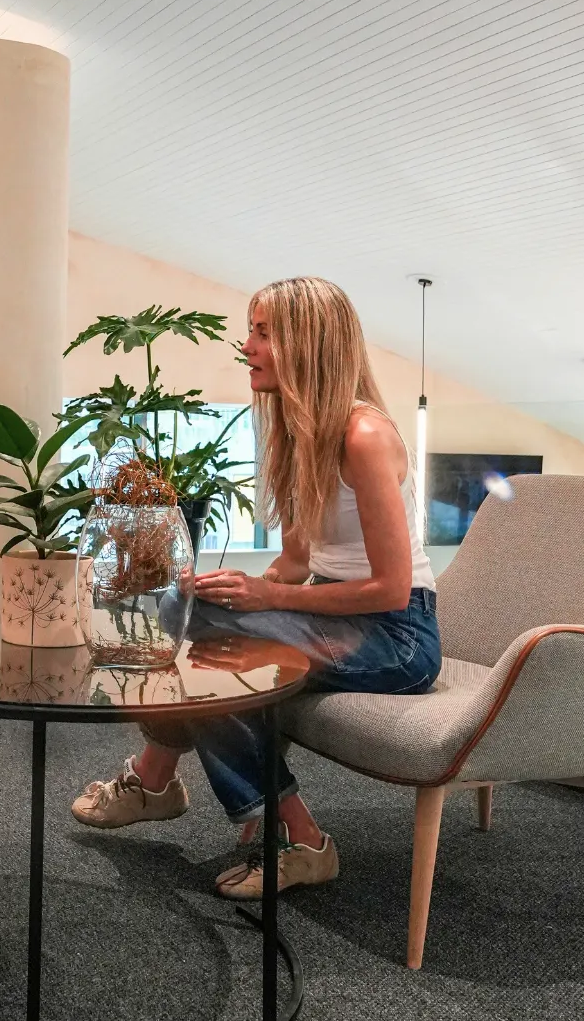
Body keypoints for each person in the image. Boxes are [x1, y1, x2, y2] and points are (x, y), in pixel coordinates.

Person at [70, 276, 441, 900]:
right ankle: (173, 785)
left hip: (398, 638)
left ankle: (271, 827)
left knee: (215, 646)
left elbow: (391, 591)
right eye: (252, 331)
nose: (247, 346)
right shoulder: (301, 433)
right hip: (340, 614)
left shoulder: (365, 436)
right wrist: (232, 591)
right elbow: (295, 563)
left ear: (309, 343)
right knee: (187, 610)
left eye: (264, 333)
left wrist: (269, 600)